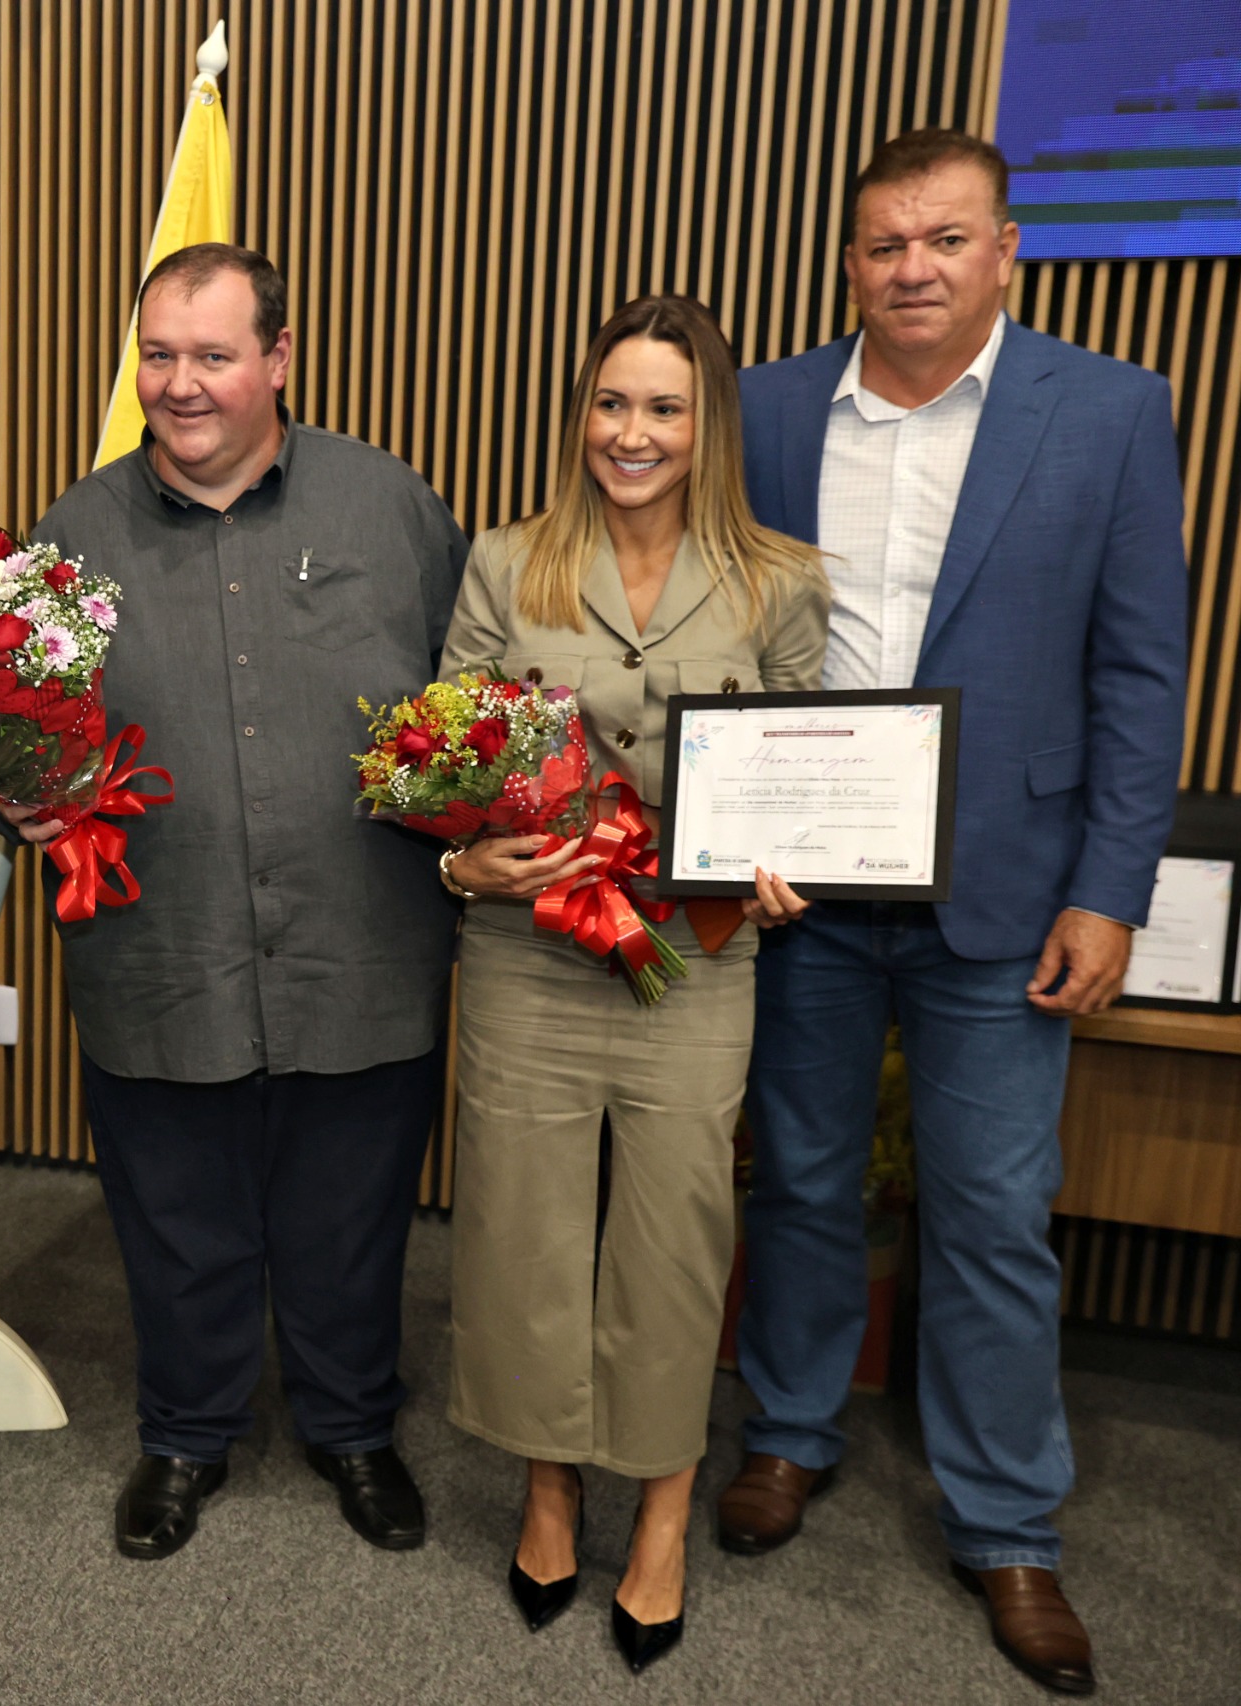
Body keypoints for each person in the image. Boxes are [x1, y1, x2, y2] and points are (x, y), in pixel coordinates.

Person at [723, 130, 1187, 1697]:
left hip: (1008, 887)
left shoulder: (1113, 412)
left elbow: (1138, 674)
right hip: (805, 883)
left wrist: (1109, 890)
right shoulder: (773, 408)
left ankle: (1008, 1523)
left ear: (1006, 252)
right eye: (880, 244)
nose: (910, 269)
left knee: (993, 1213)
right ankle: (786, 1432)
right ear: (846, 261)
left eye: (943, 239)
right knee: (795, 1176)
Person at [0, 243, 468, 1562]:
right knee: (176, 1209)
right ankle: (188, 1430)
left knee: (352, 1208)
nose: (180, 384)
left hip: (360, 946)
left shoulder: (391, 509)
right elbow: (21, 740)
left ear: (279, 360)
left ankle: (352, 1423)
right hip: (163, 941)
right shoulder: (73, 535)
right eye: (158, 354)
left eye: (212, 354)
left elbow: (470, 700)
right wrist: (23, 798)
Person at [436, 295, 829, 1672]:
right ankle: (551, 1487)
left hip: (694, 963)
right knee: (525, 1233)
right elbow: (447, 755)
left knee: (672, 1238)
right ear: (581, 413)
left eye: (664, 407)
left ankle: (661, 1505)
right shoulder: (507, 562)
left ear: (707, 424)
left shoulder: (781, 579)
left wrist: (794, 859)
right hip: (533, 959)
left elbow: (803, 768)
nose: (633, 432)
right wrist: (465, 859)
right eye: (612, 403)